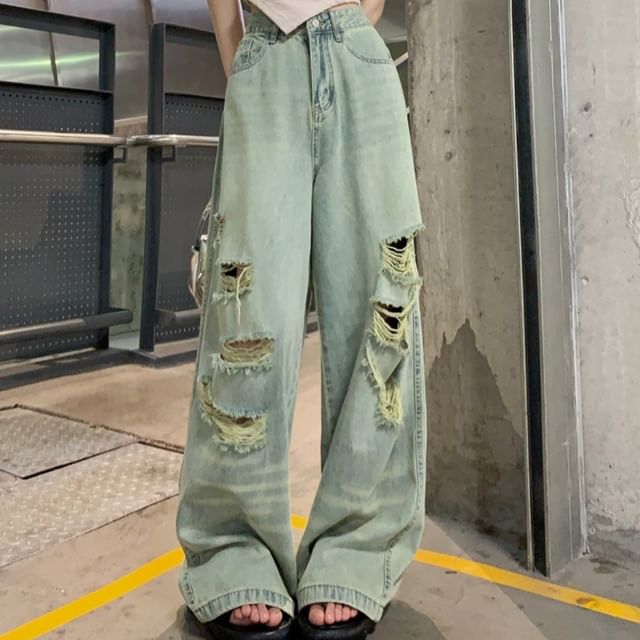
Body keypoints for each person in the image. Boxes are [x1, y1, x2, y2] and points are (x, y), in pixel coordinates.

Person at [176, 1, 427, 638]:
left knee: (377, 312)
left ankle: (356, 552)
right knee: (247, 316)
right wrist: (243, 57)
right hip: (265, 51)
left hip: (358, 57)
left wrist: (352, 29)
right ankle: (235, 554)